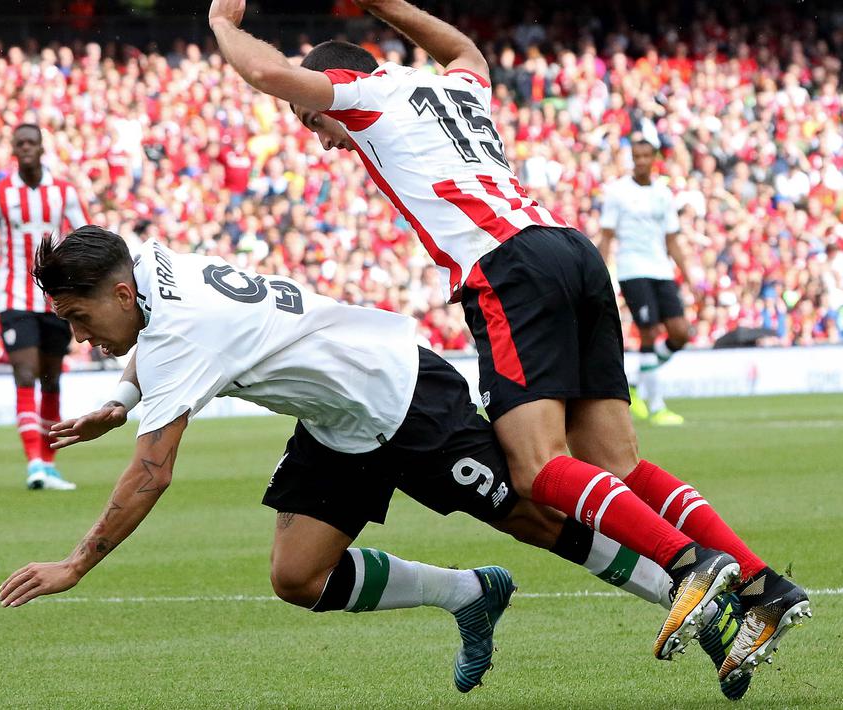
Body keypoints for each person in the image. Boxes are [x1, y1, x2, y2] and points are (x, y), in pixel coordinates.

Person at [207, 0, 810, 698]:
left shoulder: (365, 93)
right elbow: (464, 47)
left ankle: (689, 564)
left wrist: (223, 21)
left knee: (534, 467)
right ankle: (764, 586)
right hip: (569, 251)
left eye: (312, 122)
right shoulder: (452, 85)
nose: (321, 139)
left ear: (336, 84)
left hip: (505, 269)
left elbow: (262, 69)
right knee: (615, 462)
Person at [1, 226, 726, 694]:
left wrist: (76, 565)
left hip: (403, 394)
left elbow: (151, 473)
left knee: (540, 518)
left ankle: (698, 599)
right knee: (297, 576)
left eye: (79, 317)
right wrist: (123, 398)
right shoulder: (149, 258)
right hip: (336, 420)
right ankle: (469, 595)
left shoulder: (177, 334)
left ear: (121, 291)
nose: (79, 332)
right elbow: (152, 342)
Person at [0, 124, 90, 490]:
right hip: (13, 299)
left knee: (51, 380)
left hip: (56, 300)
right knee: (25, 375)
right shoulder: (0, 195)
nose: (26, 148)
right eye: (20, 143)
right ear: (13, 149)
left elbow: (88, 236)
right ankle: (34, 464)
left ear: (42, 147)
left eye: (31, 143)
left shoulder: (63, 192)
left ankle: (50, 463)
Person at [598, 139, 694, 425]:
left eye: (644, 156)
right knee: (649, 331)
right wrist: (602, 273)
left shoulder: (663, 194)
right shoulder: (617, 192)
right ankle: (656, 406)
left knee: (680, 333)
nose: (639, 161)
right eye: (635, 156)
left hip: (661, 269)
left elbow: (672, 239)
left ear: (654, 159)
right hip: (632, 269)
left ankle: (638, 381)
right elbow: (606, 236)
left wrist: (687, 274)